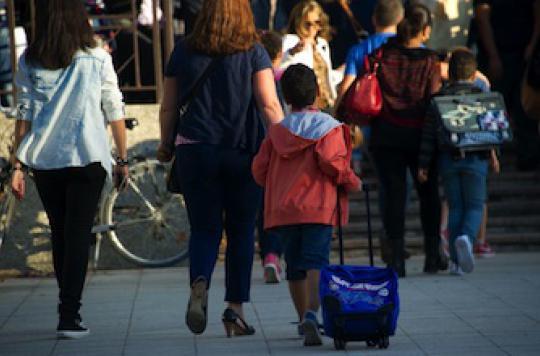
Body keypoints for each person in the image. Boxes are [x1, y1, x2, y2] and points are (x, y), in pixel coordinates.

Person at [156, 0, 283, 337]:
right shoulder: (254, 52)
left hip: (195, 152)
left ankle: (200, 282)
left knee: (204, 229)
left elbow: (168, 106)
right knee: (241, 231)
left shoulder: (182, 51)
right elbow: (269, 103)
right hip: (244, 153)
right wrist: (286, 145)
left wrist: (165, 144)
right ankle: (235, 311)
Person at [9, 0, 127, 339]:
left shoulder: (30, 59)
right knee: (78, 234)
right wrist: (121, 156)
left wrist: (18, 163)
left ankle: (68, 310)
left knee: (60, 233)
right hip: (88, 156)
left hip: (45, 159)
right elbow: (113, 106)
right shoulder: (98, 56)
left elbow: (25, 113)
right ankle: (69, 314)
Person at [252, 64, 361, 347]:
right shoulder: (328, 128)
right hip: (318, 207)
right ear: (317, 94)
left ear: (286, 98)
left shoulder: (277, 132)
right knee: (317, 262)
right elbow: (331, 162)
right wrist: (351, 180)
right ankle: (314, 313)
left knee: (295, 265)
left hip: (284, 210)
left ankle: (302, 319)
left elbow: (259, 170)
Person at [368, 3, 444, 277]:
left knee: (393, 196)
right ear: (425, 31)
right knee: (429, 195)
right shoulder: (431, 61)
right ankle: (432, 255)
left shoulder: (381, 54)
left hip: (385, 135)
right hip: (421, 136)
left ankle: (396, 260)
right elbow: (434, 99)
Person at [336, 0, 409, 265]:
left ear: (375, 20)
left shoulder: (361, 49)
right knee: (403, 185)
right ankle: (397, 238)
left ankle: (389, 236)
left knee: (386, 183)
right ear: (401, 21)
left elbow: (346, 87)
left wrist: (337, 114)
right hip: (408, 123)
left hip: (372, 124)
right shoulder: (412, 45)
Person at [418, 48, 500, 275]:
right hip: (476, 158)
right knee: (474, 204)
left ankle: (455, 262)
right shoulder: (481, 98)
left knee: (455, 206)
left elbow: (428, 136)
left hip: (448, 160)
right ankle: (467, 237)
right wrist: (493, 155)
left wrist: (424, 164)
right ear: (474, 75)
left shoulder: (438, 99)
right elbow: (490, 129)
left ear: (449, 74)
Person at [475, 0, 540, 171]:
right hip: (501, 51)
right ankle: (493, 155)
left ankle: (527, 156)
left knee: (524, 108)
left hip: (523, 52)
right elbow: (482, 17)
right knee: (493, 108)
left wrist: (532, 47)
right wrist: (493, 55)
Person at [258, 30, 285, 283]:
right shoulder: (278, 78)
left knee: (254, 208)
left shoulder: (243, 72)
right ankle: (272, 257)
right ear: (277, 56)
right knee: (272, 207)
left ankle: (263, 256)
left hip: (248, 148)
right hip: (273, 148)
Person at [280, 1, 341, 110]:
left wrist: (343, 72)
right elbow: (280, 69)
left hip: (327, 104)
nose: (312, 27)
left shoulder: (322, 44)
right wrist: (292, 52)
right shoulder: (290, 41)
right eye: (307, 23)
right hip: (305, 107)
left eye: (317, 22)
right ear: (298, 22)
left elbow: (327, 76)